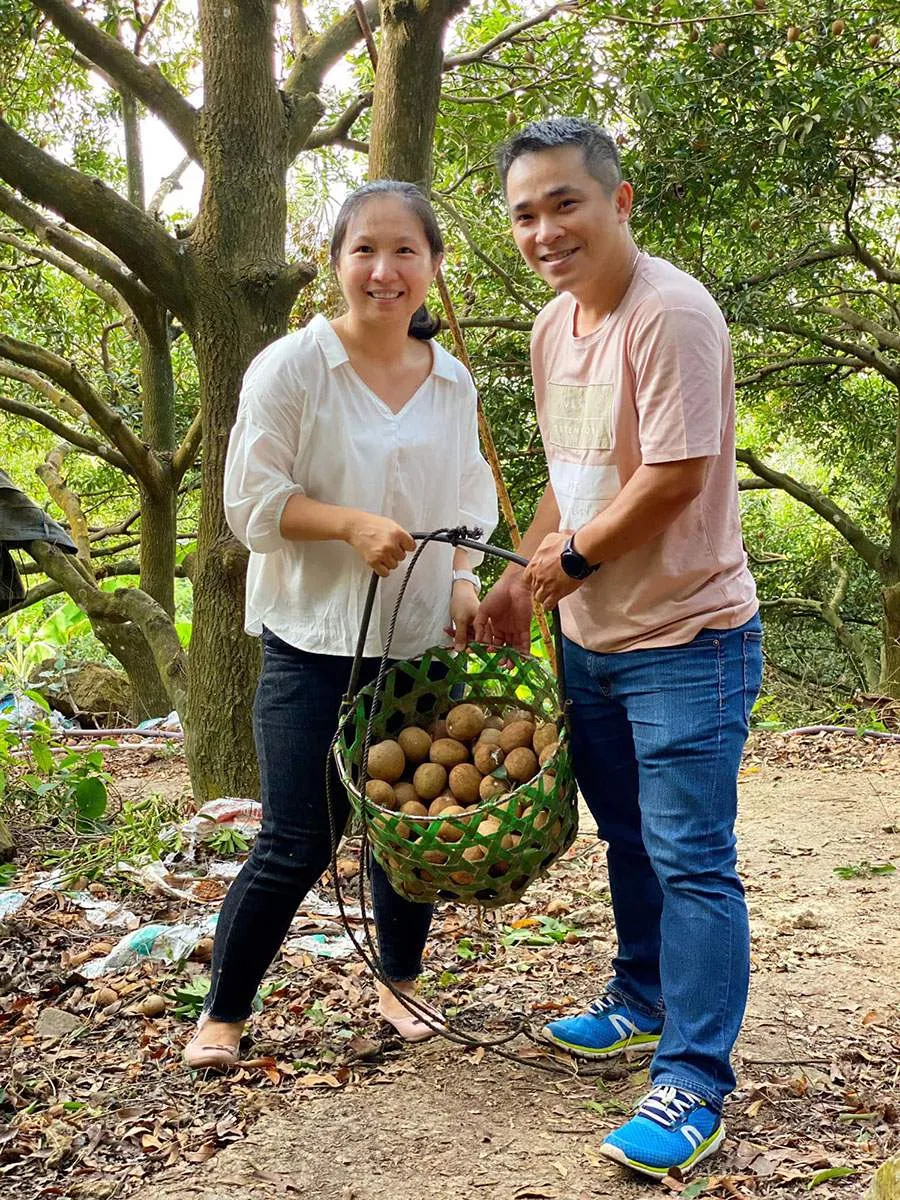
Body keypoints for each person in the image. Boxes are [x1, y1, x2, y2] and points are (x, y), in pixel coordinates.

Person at [475, 119, 761, 1180]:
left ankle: (693, 1079)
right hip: (591, 638)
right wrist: (523, 569)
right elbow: (578, 466)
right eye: (525, 213)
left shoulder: (671, 314)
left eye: (564, 204)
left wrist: (573, 564)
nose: (545, 230)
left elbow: (676, 475)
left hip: (688, 636)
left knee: (692, 859)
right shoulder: (557, 326)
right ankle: (640, 998)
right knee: (628, 839)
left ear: (620, 201)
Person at [184, 180, 497, 1070]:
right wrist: (351, 524)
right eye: (365, 250)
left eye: (406, 251)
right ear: (336, 265)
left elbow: (469, 497)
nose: (384, 270)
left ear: (434, 267)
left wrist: (466, 581)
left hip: (417, 645)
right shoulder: (292, 366)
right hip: (311, 640)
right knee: (297, 837)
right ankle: (224, 1012)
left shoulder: (451, 383)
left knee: (410, 827)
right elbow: (251, 503)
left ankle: (399, 981)